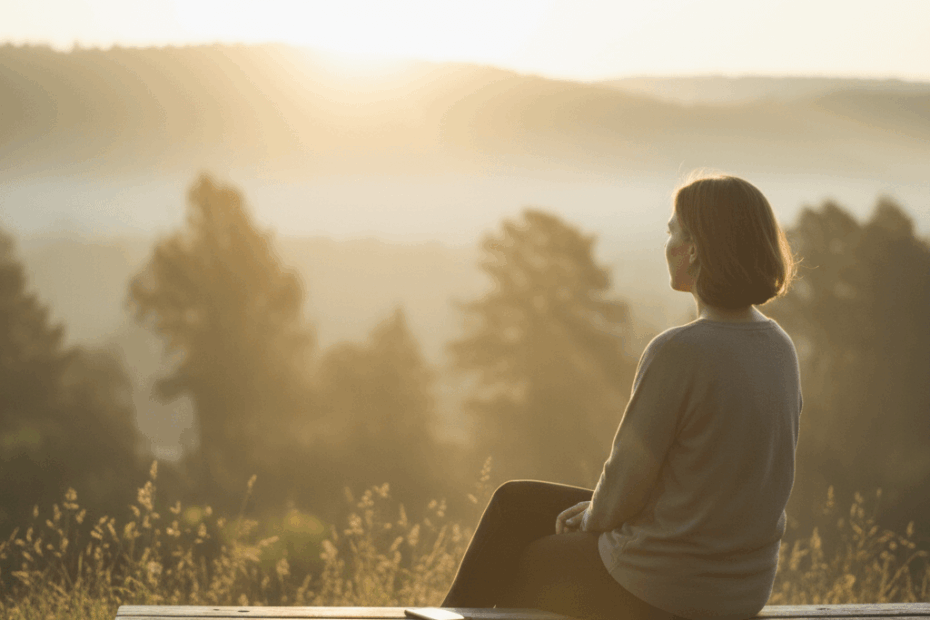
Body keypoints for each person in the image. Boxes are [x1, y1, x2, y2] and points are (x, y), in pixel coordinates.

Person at [441, 173, 802, 620]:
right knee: (518, 503)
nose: (666, 244)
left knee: (526, 555)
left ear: (693, 250)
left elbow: (628, 478)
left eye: (673, 231)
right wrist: (597, 509)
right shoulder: (779, 346)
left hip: (666, 586)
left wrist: (593, 518)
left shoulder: (679, 351)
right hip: (743, 587)